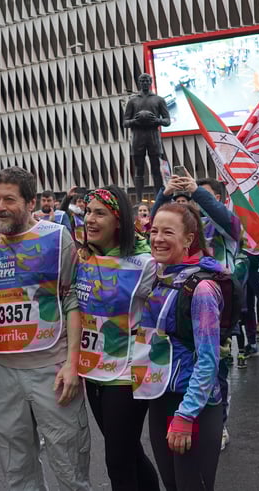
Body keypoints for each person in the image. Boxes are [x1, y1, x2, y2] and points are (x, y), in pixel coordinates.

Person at [0, 167, 90, 490]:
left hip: (52, 369)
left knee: (70, 469)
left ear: (31, 203)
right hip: (3, 373)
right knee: (17, 471)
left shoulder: (57, 238)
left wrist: (72, 364)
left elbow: (72, 300)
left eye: (9, 200)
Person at [134, 202, 224, 491]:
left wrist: (186, 415)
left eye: (168, 232)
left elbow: (208, 360)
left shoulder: (202, 289)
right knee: (172, 485)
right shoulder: (161, 277)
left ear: (188, 239)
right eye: (154, 231)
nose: (158, 239)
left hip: (193, 405)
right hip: (161, 397)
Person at [76, 186, 160, 491]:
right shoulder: (84, 258)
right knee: (129, 452)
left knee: (118, 461)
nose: (90, 219)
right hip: (93, 370)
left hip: (126, 376)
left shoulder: (146, 263)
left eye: (100, 213)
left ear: (119, 221)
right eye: (88, 212)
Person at [123, 73, 171, 200]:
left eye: (147, 80)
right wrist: (136, 121)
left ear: (151, 82)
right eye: (142, 81)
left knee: (156, 169)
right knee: (139, 169)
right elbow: (125, 122)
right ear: (139, 83)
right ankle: (139, 200)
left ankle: (159, 198)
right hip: (138, 137)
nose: (144, 83)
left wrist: (156, 120)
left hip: (153, 136)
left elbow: (167, 121)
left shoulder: (159, 100)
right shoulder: (132, 101)